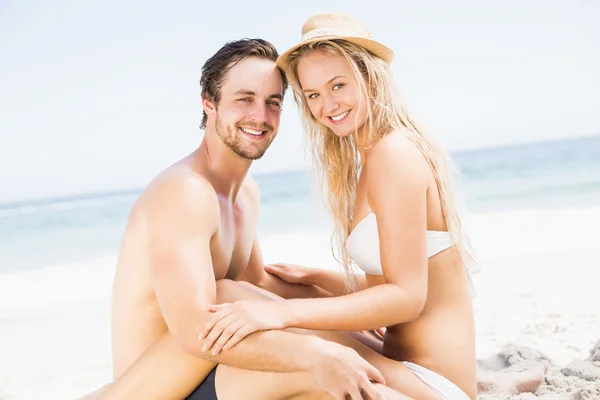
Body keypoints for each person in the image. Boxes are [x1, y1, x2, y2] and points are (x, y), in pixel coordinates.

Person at [81, 16, 546, 400]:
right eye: (244, 100)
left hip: (414, 374)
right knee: (253, 310)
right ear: (209, 104)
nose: (260, 116)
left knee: (250, 307)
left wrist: (306, 330)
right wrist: (318, 334)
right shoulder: (186, 192)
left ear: (368, 76)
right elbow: (209, 320)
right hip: (165, 385)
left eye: (273, 102)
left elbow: (262, 295)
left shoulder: (260, 192)